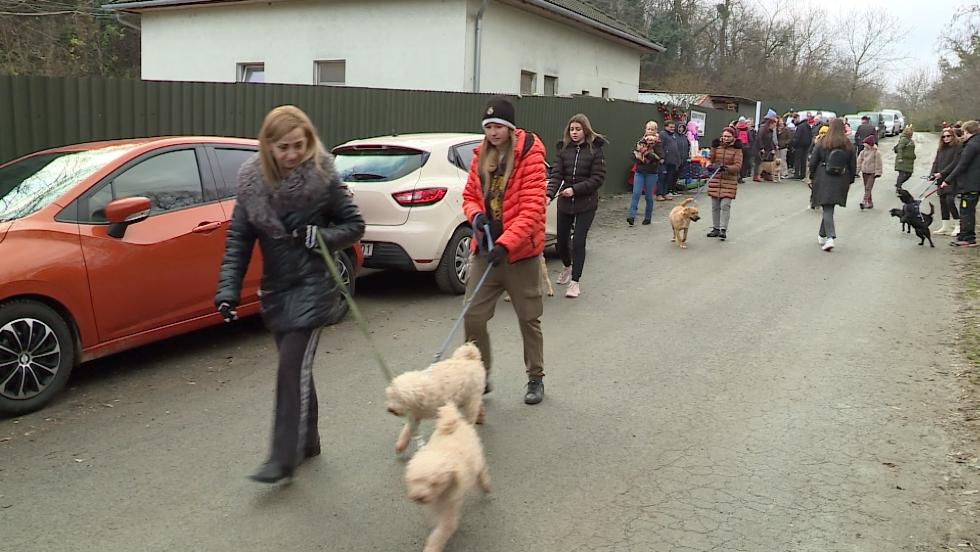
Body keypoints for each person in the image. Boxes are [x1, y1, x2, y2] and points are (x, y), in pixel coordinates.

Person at [215, 105, 366, 483]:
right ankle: (309, 440)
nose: (293, 154)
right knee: (296, 369)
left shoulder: (323, 178)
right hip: (276, 293)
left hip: (315, 290)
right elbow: (238, 240)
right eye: (284, 147)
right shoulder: (252, 185)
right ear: (268, 146)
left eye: (299, 145)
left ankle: (282, 458)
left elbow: (355, 225)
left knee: (289, 369)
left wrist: (325, 237)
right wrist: (227, 292)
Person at [462, 96, 548, 404]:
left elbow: (532, 208)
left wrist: (506, 243)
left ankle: (535, 377)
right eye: (488, 127)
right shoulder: (480, 156)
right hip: (486, 251)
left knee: (528, 317)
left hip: (519, 253)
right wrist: (476, 215)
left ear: (510, 128)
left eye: (498, 126)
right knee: (472, 315)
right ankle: (480, 376)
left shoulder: (530, 155)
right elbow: (469, 195)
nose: (493, 133)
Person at [547, 114, 606, 298]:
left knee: (578, 241)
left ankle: (575, 282)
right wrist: (549, 194)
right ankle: (567, 266)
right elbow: (556, 174)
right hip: (565, 202)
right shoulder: (564, 150)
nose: (574, 133)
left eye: (578, 129)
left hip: (586, 202)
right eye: (572, 129)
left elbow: (598, 178)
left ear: (585, 130)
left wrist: (575, 189)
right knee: (562, 241)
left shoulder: (595, 150)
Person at [808, 118, 856, 252]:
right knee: (829, 206)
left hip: (823, 176)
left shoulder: (823, 142)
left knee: (827, 207)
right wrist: (850, 180)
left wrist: (812, 176)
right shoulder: (848, 144)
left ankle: (830, 237)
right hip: (841, 178)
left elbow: (813, 161)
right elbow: (853, 164)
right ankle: (821, 235)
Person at [941, 120, 979, 246]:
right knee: (967, 210)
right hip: (973, 183)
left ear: (967, 131)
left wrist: (947, 180)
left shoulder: (972, 145)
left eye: (964, 132)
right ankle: (964, 235)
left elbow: (961, 165)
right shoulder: (974, 143)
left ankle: (968, 238)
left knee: (966, 211)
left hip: (971, 184)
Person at [705, 126, 743, 241]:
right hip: (716, 178)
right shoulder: (717, 146)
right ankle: (715, 228)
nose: (725, 138)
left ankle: (723, 229)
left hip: (729, 180)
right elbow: (710, 159)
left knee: (725, 205)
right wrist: (711, 164)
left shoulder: (737, 149)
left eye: (728, 136)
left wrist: (726, 168)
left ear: (733, 137)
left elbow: (738, 166)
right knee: (715, 206)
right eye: (724, 136)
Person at [930, 129, 962, 235]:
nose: (946, 138)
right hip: (941, 178)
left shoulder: (957, 147)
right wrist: (932, 174)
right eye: (943, 137)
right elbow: (936, 162)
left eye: (948, 136)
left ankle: (958, 225)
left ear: (953, 136)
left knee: (950, 201)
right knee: (942, 201)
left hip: (952, 178)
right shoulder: (941, 148)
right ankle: (945, 226)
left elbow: (955, 163)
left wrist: (942, 173)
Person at [629, 132, 662, 223]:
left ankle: (648, 217)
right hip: (640, 171)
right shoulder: (639, 143)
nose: (650, 131)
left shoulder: (658, 145)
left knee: (648, 196)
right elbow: (633, 155)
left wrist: (646, 154)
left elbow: (659, 158)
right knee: (636, 193)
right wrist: (638, 157)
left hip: (651, 173)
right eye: (648, 129)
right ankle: (631, 216)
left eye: (652, 129)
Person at [856, 135, 882, 209]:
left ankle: (864, 201)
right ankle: (870, 202)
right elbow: (859, 162)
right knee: (867, 188)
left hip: (872, 173)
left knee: (868, 187)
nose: (865, 145)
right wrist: (857, 171)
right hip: (864, 172)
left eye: (866, 144)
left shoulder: (876, 153)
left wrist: (878, 172)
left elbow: (878, 163)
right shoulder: (863, 152)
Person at [658, 121, 682, 198]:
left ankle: (665, 193)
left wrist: (678, 160)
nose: (672, 129)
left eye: (673, 127)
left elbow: (676, 149)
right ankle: (659, 194)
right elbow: (660, 147)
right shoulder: (662, 134)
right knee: (662, 178)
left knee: (668, 178)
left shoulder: (674, 136)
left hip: (672, 161)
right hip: (664, 161)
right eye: (670, 127)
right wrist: (661, 157)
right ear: (666, 127)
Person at [894, 125, 916, 189]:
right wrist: (900, 158)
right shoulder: (903, 139)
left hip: (909, 161)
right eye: (910, 131)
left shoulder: (910, 140)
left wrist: (913, 156)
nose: (911, 133)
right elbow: (900, 149)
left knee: (909, 174)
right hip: (902, 160)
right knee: (902, 174)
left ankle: (898, 184)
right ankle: (898, 187)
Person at [791, 115, 813, 179]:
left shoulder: (800, 126)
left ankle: (797, 174)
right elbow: (810, 136)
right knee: (803, 160)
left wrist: (794, 145)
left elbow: (797, 137)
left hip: (799, 146)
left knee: (797, 160)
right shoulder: (808, 126)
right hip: (806, 145)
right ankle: (802, 174)